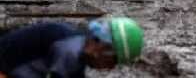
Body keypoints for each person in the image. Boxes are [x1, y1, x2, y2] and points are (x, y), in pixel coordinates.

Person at [0, 17, 144, 78]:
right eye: (112, 61)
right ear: (102, 47)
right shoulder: (70, 51)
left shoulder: (75, 42)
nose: (109, 68)